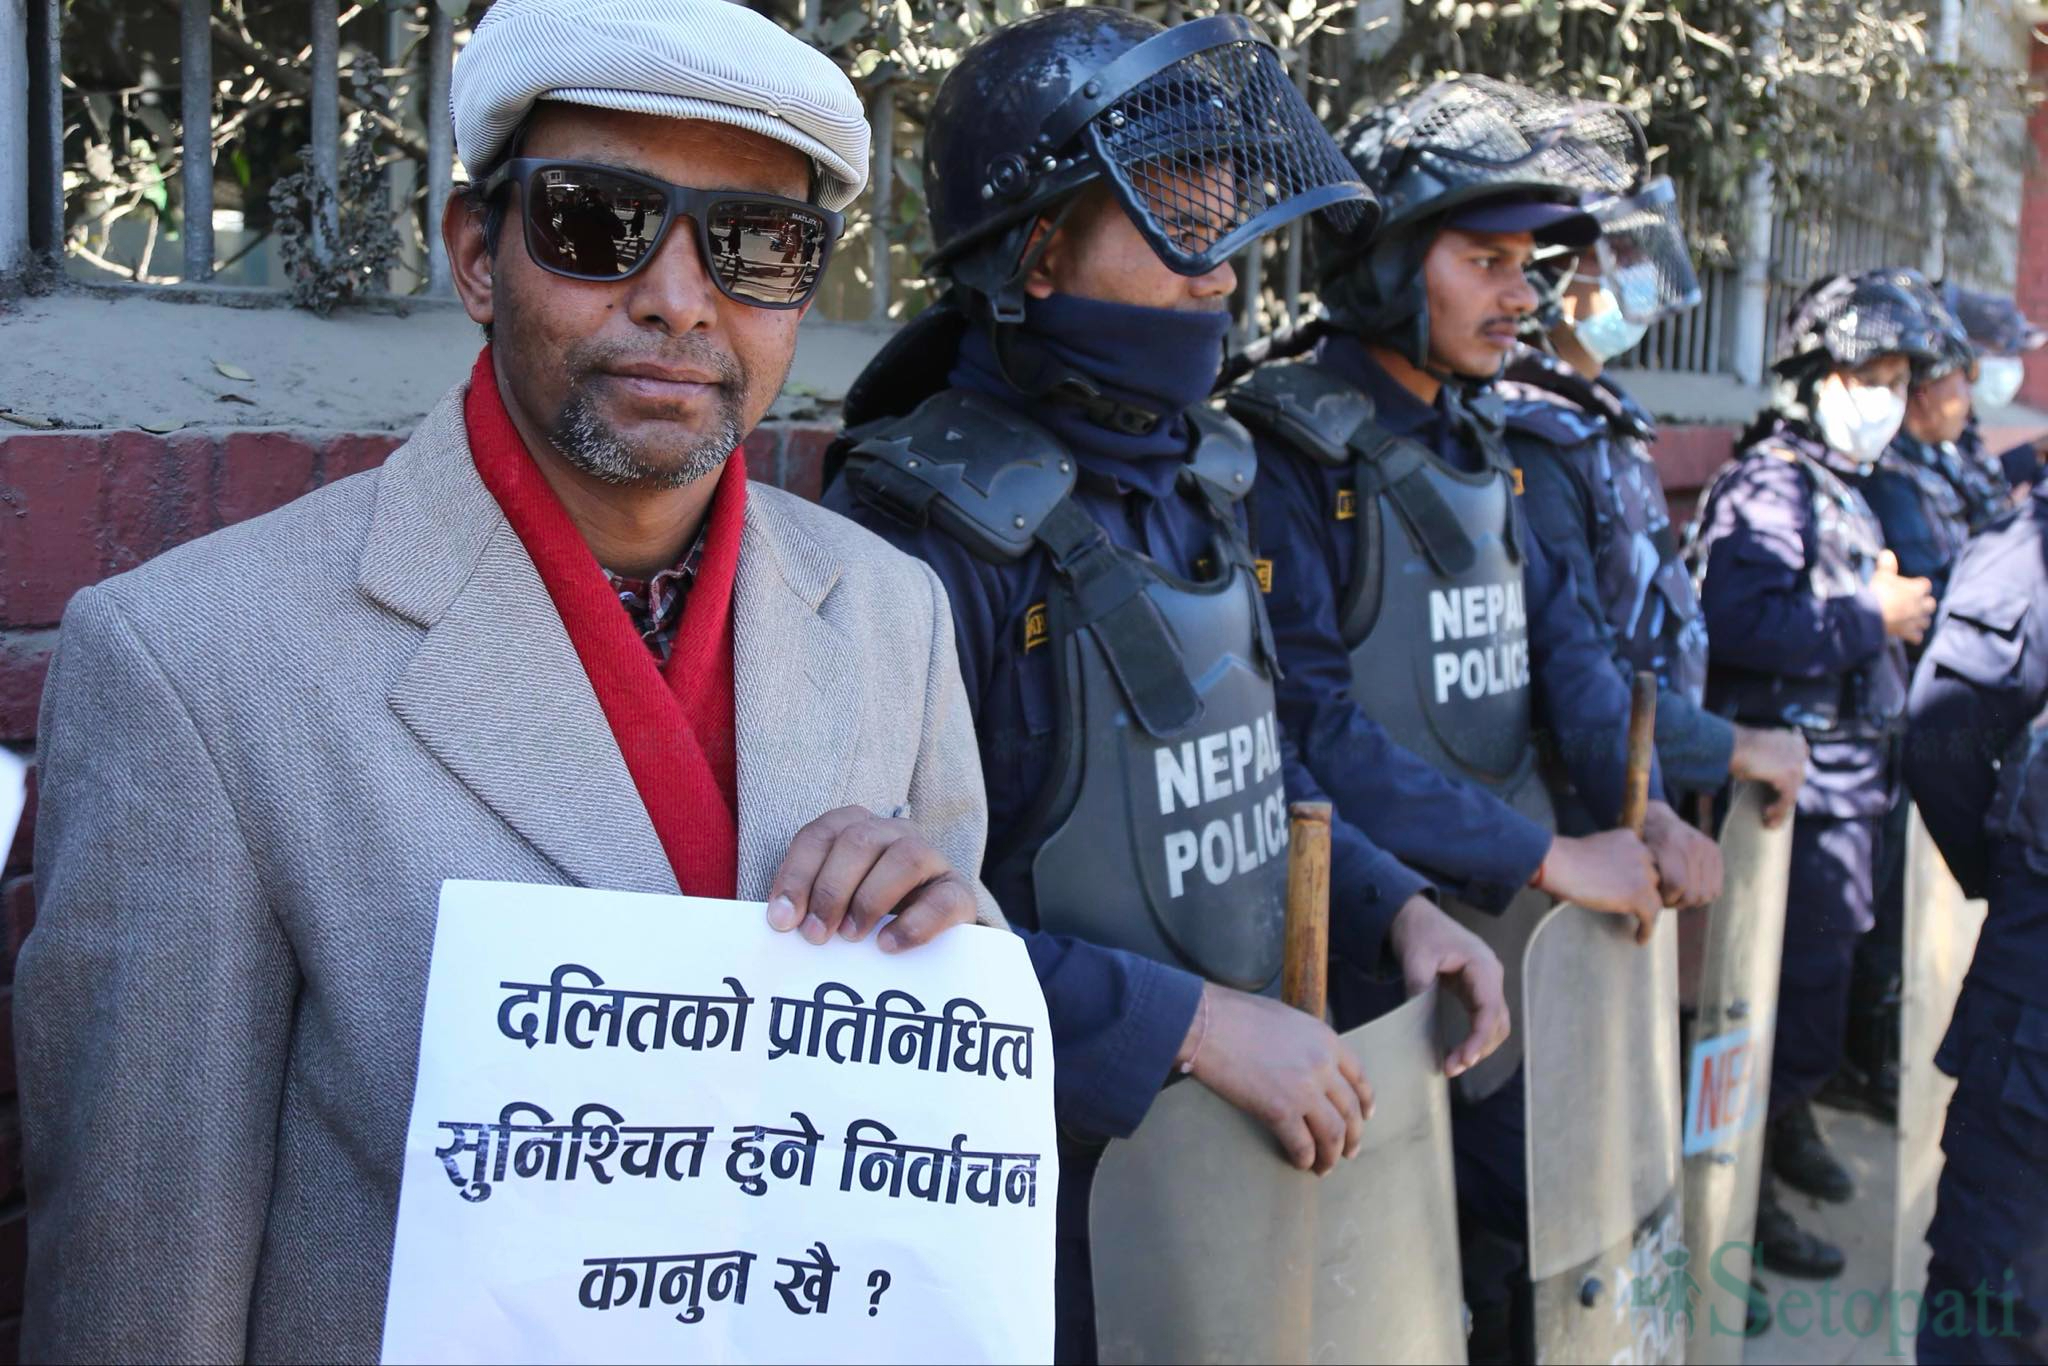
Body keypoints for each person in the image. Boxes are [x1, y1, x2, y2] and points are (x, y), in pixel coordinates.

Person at [16, 2, 1000, 1358]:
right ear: (479, 256)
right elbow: (145, 1288)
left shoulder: (893, 614)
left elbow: (937, 1144)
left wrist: (951, 937)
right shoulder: (200, 664)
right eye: (599, 224)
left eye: (754, 245)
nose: (675, 295)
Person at [824, 12, 1511, 1360]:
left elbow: (1251, 765)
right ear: (1034, 251)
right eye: (1175, 227)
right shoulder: (918, 532)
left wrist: (1403, 908)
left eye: (1229, 224)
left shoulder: (1200, 477)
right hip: (1039, 1233)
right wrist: (1189, 1025)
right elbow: (871, 953)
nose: (1226, 277)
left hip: (1221, 1180)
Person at [1226, 75, 1719, 1361]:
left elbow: (1570, 647)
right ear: (1391, 264)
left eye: (1527, 264)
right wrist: (1555, 856)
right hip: (1379, 953)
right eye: (1484, 260)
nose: (1522, 295)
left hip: (1524, 933)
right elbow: (1312, 731)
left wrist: (1643, 803)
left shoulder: (1480, 438)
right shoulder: (1286, 449)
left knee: (1523, 1243)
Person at [1690, 270, 1943, 1280]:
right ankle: (1729, 1220)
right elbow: (1731, 628)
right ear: (1810, 378)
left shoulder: (1840, 483)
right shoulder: (1767, 485)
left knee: (1807, 1012)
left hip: (1849, 787)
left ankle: (1773, 1146)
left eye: (1895, 375)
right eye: (1864, 373)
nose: (1883, 392)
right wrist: (1865, 621)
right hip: (1787, 800)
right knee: (1766, 1013)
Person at [1501, 162, 1809, 826]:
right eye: (1618, 257)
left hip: (1639, 780)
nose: (1638, 277)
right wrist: (1730, 747)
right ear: (1547, 273)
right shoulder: (1529, 433)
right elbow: (1578, 664)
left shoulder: (1599, 413)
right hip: (1580, 800)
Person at [1903, 480, 2048, 1364]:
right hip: (2037, 1008)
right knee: (1997, 1304)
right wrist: (2004, 882)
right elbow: (1943, 738)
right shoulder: (2031, 552)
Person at [1945, 282, 2048, 503]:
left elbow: (1981, 479)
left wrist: (2033, 453)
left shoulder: (1963, 422)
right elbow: (1967, 509)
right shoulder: (1934, 426)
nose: (2014, 364)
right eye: (2006, 353)